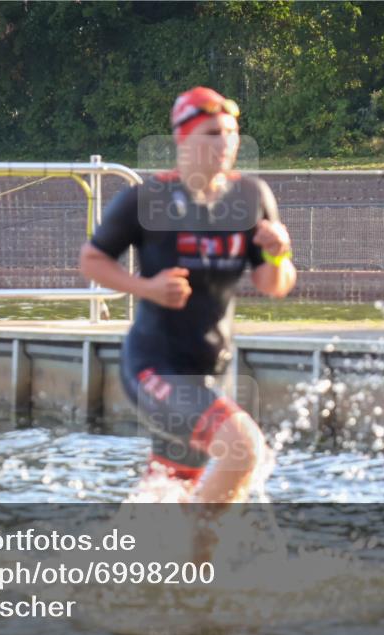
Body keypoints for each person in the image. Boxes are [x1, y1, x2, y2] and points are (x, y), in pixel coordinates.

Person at [79, 86, 296, 505]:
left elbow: (274, 286)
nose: (226, 143)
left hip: (210, 370)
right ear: (183, 138)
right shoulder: (147, 199)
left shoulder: (251, 198)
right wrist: (147, 288)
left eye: (232, 132)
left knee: (167, 495)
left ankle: (133, 563)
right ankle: (192, 557)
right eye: (213, 133)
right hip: (153, 367)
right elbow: (91, 260)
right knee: (244, 447)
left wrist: (278, 251)